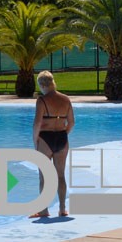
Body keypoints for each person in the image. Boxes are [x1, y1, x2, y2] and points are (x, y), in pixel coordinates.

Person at [30, 71, 74, 218]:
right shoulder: (66, 99)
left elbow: (37, 123)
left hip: (45, 138)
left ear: (42, 85)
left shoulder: (42, 100)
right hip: (61, 138)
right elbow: (72, 122)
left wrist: (35, 140)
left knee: (44, 177)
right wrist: (64, 134)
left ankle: (43, 210)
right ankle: (62, 209)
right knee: (60, 175)